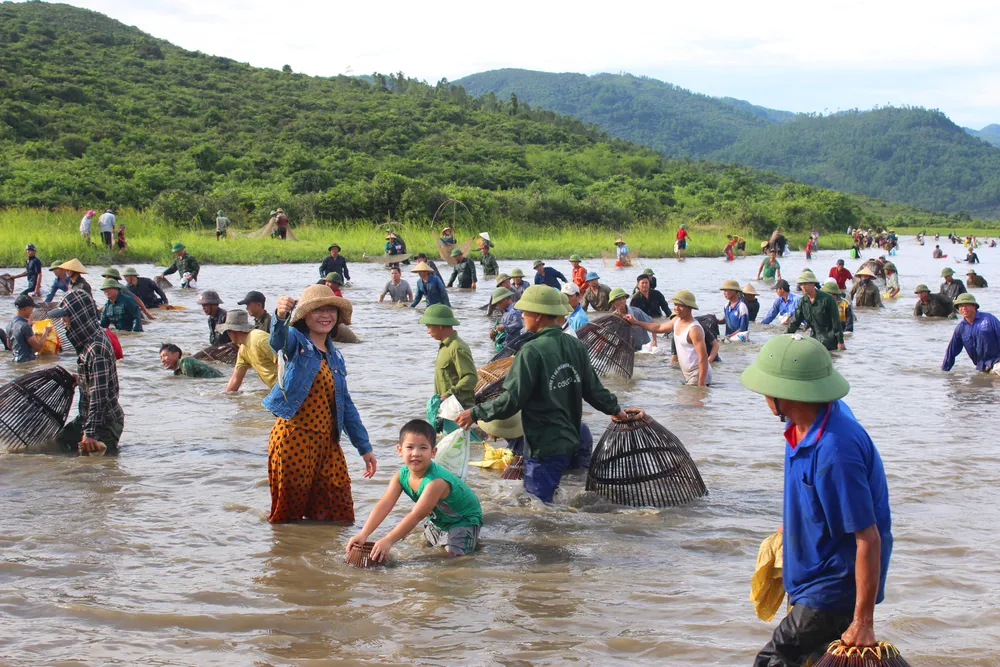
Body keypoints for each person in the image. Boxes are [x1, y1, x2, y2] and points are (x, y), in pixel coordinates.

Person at [741, 334, 893, 666]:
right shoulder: (804, 422)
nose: (764, 396)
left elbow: (868, 537)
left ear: (787, 395)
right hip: (811, 575)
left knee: (772, 660)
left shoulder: (835, 451)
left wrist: (863, 622)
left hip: (831, 590)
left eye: (768, 390)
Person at [455, 286, 626, 503]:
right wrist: (617, 411)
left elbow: (511, 401)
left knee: (540, 514)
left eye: (525, 312)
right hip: (575, 437)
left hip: (545, 445)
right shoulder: (575, 345)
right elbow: (594, 391)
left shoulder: (531, 351)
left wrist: (475, 413)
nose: (522, 316)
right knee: (570, 494)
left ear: (538, 315)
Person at [262, 285, 377, 523]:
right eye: (318, 310)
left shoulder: (335, 356)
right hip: (295, 438)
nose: (326, 315)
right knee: (289, 516)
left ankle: (325, 556)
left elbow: (346, 405)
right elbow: (278, 342)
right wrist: (280, 316)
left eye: (330, 310)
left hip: (328, 443)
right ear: (305, 315)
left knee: (339, 513)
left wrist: (364, 447)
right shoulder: (297, 342)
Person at [348, 419, 483, 561]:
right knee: (426, 546)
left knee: (450, 561)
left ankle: (472, 542)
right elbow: (385, 504)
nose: (416, 453)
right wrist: (364, 533)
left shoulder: (435, 482)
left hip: (463, 520)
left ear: (433, 452)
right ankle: (473, 544)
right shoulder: (400, 476)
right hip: (439, 519)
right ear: (400, 450)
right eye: (410, 447)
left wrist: (388, 540)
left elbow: (416, 515)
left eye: (423, 448)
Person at [48, 291, 125, 454]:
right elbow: (96, 381)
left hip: (105, 422)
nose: (63, 322)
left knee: (96, 464)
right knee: (59, 444)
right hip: (87, 417)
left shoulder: (95, 349)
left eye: (66, 317)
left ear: (78, 316)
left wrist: (90, 433)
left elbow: (99, 395)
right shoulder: (88, 342)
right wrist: (81, 379)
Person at [626, 290, 712, 386]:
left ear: (690, 307)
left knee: (692, 399)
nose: (676, 308)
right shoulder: (676, 321)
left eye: (681, 305)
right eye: (675, 304)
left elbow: (703, 357)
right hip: (688, 373)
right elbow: (658, 328)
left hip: (698, 373)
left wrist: (701, 383)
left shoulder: (694, 329)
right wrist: (636, 322)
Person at [420, 304, 477, 410]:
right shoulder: (444, 346)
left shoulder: (457, 347)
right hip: (446, 407)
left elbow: (470, 378)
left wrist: (448, 395)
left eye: (429, 326)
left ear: (440, 325)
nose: (427, 331)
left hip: (459, 408)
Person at [219, 310, 278, 390]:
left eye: (227, 331)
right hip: (278, 390)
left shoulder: (258, 339)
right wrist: (225, 397)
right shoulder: (243, 349)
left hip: (291, 386)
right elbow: (236, 379)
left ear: (232, 331)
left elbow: (286, 362)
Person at [787, 270, 846, 351]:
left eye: (805, 283)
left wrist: (840, 341)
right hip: (814, 340)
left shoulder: (827, 299)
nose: (803, 286)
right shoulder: (803, 302)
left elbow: (836, 321)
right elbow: (795, 322)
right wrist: (784, 337)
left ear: (813, 283)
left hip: (830, 341)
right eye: (801, 284)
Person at [942, 293, 1000, 374]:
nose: (964, 308)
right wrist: (944, 373)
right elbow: (951, 352)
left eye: (967, 305)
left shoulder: (989, 319)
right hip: (982, 368)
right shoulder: (961, 328)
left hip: (998, 362)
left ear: (974, 306)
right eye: (961, 306)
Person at [7, 295, 53, 363]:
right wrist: (46, 332)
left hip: (15, 360)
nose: (32, 311)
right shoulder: (25, 326)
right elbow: (38, 348)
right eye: (32, 308)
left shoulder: (9, 324)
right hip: (27, 361)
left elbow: (9, 345)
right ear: (26, 308)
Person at [159, 343, 223, 378]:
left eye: (165, 355)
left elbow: (190, 381)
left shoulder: (185, 361)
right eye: (161, 357)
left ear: (176, 354)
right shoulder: (177, 372)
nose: (162, 360)